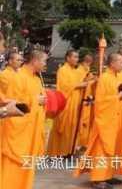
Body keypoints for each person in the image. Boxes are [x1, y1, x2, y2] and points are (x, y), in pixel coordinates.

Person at [74, 53, 122, 188]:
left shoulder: (115, 77)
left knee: (113, 148)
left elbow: (117, 96)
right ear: (112, 63)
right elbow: (100, 102)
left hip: (114, 119)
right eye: (121, 62)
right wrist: (117, 97)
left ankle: (108, 175)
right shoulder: (105, 78)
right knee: (102, 149)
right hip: (105, 121)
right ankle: (98, 179)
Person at [0, 49, 47, 189]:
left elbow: (38, 101)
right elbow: (13, 104)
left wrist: (42, 101)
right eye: (44, 61)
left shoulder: (36, 79)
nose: (45, 64)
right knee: (14, 168)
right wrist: (35, 99)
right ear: (35, 61)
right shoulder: (18, 76)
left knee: (27, 168)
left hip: (31, 131)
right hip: (19, 132)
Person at [47, 49, 92, 156]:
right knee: (62, 128)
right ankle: (56, 152)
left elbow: (81, 79)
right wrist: (80, 85)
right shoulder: (63, 70)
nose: (77, 59)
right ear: (68, 58)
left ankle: (68, 150)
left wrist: (87, 80)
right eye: (75, 57)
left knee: (71, 128)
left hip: (74, 104)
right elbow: (64, 87)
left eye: (77, 57)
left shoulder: (74, 70)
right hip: (65, 104)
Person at [76, 51, 96, 150]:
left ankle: (84, 143)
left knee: (86, 123)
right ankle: (78, 144)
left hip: (88, 100)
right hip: (81, 100)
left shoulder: (88, 70)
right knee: (81, 123)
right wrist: (92, 81)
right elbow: (80, 84)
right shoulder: (79, 70)